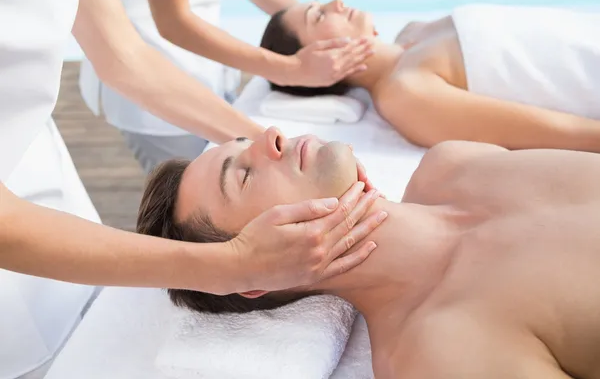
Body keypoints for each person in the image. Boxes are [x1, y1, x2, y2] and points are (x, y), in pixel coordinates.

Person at [0, 0, 381, 378]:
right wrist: (230, 265)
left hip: (41, 175)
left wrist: (273, 141)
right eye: (245, 175)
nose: (273, 140)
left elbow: (124, 55)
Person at [137, 129, 600, 378]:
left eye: (244, 141)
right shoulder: (439, 352)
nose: (270, 136)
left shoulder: (455, 163)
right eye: (242, 175)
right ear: (259, 269)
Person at [80, 0, 375, 173]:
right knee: (198, 212)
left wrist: (310, 30)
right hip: (155, 79)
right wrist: (292, 68)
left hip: (207, 68)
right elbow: (173, 21)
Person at [259, 0, 600, 153]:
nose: (336, 2)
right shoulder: (404, 95)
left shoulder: (414, 31)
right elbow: (558, 133)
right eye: (317, 16)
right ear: (316, 61)